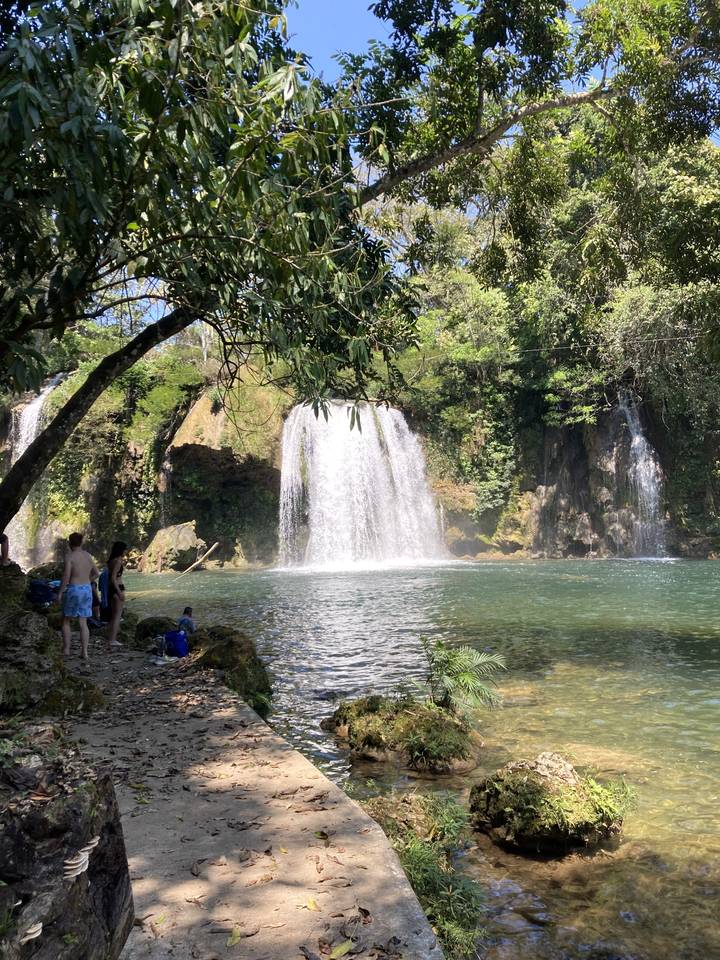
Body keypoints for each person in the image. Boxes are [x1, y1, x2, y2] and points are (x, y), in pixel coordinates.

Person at [57, 532, 99, 661]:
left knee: (66, 620)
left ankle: (66, 649)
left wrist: (60, 592)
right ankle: (85, 652)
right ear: (81, 542)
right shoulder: (87, 555)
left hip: (74, 589)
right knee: (83, 622)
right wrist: (87, 580)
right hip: (87, 589)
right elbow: (97, 573)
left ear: (69, 543)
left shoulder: (70, 557)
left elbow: (66, 576)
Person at [106, 540, 127, 649]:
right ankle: (112, 640)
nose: (126, 552)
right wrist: (119, 592)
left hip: (111, 589)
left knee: (114, 615)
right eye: (125, 549)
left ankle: (111, 637)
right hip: (117, 588)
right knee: (117, 615)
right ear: (121, 550)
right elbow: (114, 577)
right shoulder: (118, 561)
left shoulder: (111, 561)